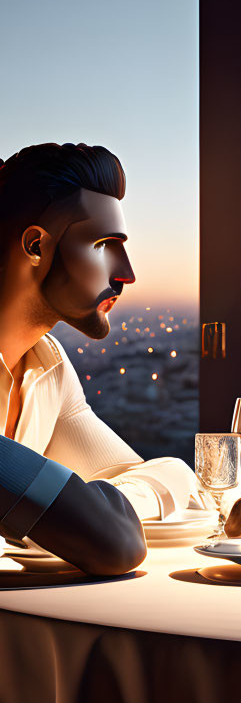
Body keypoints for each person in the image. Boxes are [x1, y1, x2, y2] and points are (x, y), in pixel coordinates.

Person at [0, 143, 201, 575]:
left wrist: (102, 504)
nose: (126, 273)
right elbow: (114, 541)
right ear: (36, 245)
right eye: (104, 244)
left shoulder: (47, 365)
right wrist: (96, 506)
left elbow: (173, 476)